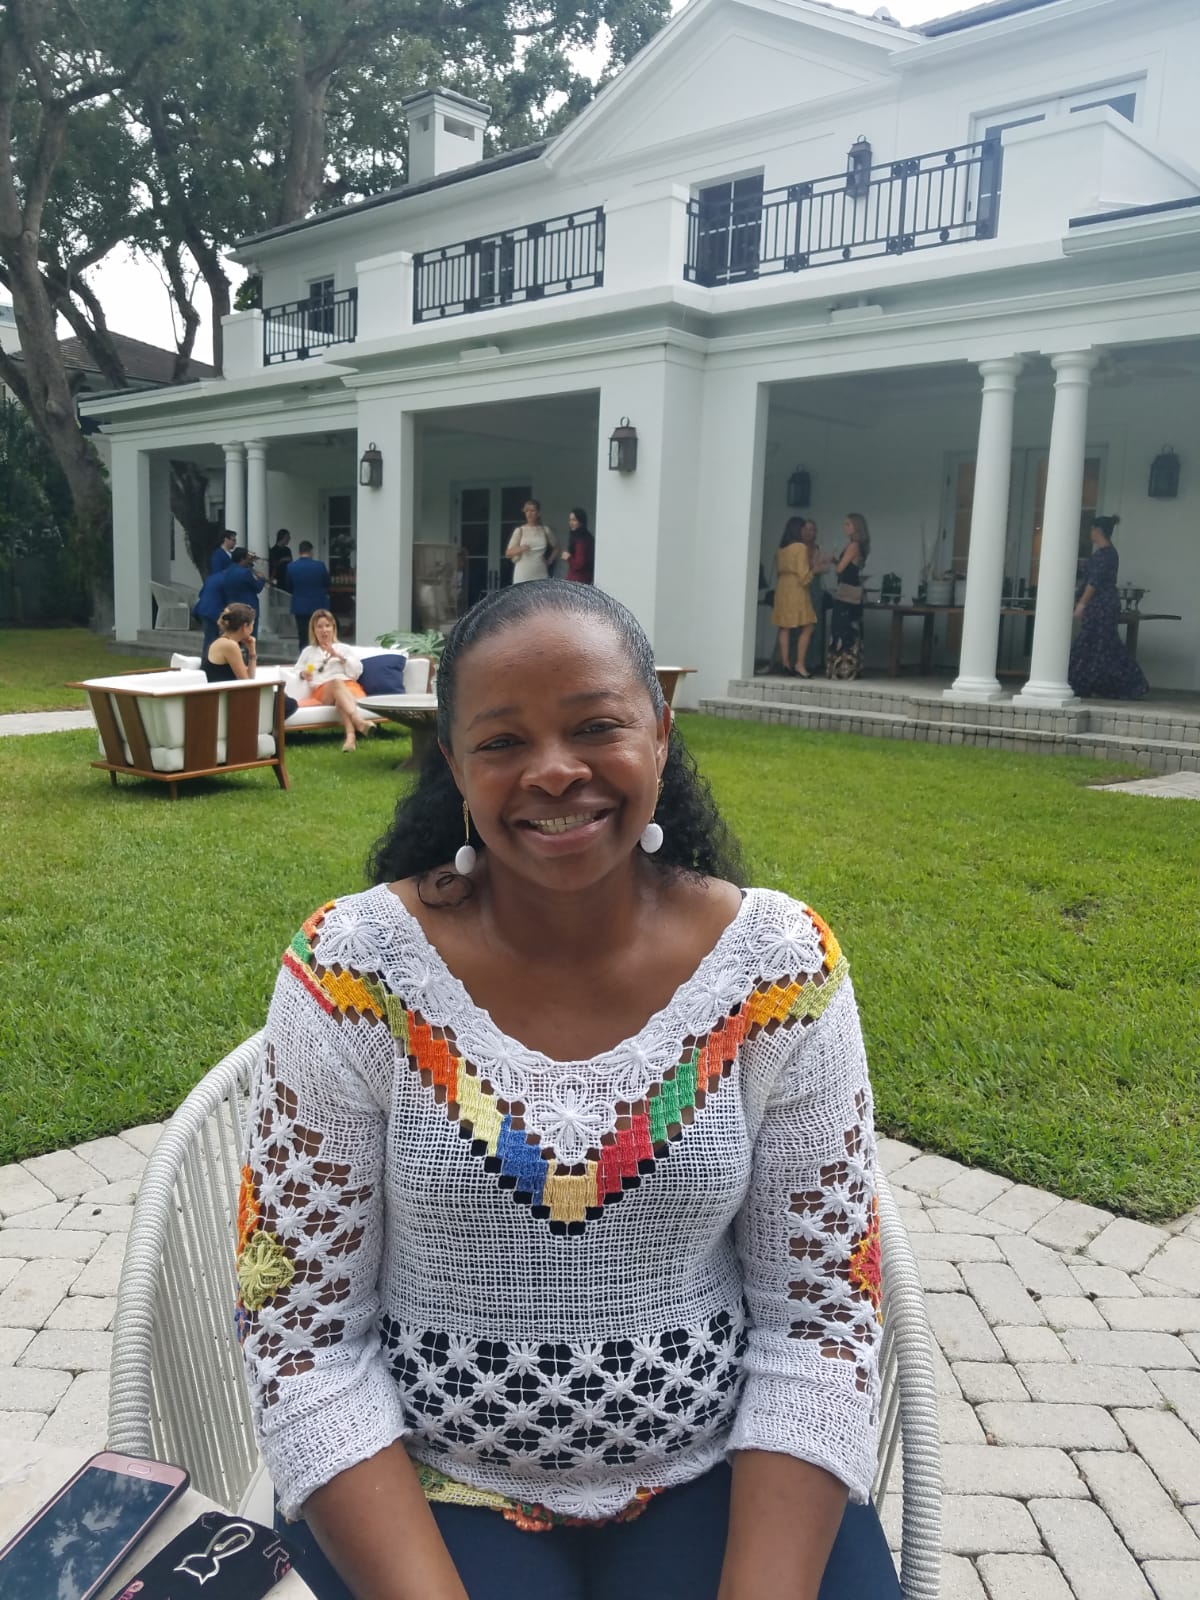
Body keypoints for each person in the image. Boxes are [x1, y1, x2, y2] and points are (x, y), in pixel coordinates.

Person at [238, 579, 897, 1600]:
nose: (554, 770)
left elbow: (819, 1317)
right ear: (455, 764)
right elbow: (302, 1335)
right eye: (503, 741)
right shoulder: (354, 974)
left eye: (596, 726)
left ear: (661, 735)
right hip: (423, 1484)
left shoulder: (778, 970)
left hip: (725, 1471)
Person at [1069, 515, 1149, 700]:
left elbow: (1094, 582)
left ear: (1098, 531)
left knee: (1099, 644)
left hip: (1102, 606)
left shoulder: (1107, 555)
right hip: (1098, 605)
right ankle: (1085, 683)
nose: (1090, 533)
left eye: (1092, 529)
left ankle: (1130, 684)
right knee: (1098, 645)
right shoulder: (1102, 554)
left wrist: (1081, 604)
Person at [292, 608, 372, 752]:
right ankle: (358, 720)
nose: (324, 630)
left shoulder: (344, 648)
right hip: (323, 690)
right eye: (320, 627)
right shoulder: (308, 651)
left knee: (340, 699)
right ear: (314, 630)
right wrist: (303, 674)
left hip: (349, 688)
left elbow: (356, 672)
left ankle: (350, 737)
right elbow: (296, 672)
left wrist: (340, 657)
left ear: (333, 628)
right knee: (336, 682)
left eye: (327, 626)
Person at [770, 517, 825, 677]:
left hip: (782, 589)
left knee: (784, 627)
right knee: (808, 625)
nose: (805, 532)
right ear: (797, 530)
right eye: (803, 528)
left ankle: (785, 663)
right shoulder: (800, 548)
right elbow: (804, 577)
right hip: (797, 590)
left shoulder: (781, 549)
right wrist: (815, 570)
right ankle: (800, 664)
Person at [826, 514, 870, 681]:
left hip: (846, 594)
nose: (844, 527)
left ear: (856, 527)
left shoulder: (853, 546)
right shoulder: (861, 546)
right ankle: (852, 668)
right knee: (852, 631)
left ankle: (841, 670)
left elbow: (840, 569)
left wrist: (834, 562)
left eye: (848, 524)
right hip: (854, 593)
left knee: (841, 630)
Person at [286, 540, 331, 649]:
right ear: (311, 551)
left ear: (299, 552)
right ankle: (319, 653)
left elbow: (288, 586)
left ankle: (304, 653)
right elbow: (327, 583)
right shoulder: (320, 566)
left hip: (300, 604)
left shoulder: (291, 567)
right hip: (318, 603)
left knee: (303, 634)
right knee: (319, 632)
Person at [203, 602, 259, 683]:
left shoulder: (225, 642)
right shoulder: (230, 645)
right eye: (252, 624)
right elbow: (246, 683)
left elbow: (250, 678)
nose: (252, 628)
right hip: (219, 690)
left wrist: (252, 650)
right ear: (245, 626)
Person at [505, 498, 558, 583]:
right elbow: (508, 553)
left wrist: (549, 561)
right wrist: (520, 549)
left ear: (538, 513)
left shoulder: (545, 530)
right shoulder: (520, 530)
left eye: (532, 511)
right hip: (522, 571)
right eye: (526, 511)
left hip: (540, 570)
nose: (529, 514)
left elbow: (556, 547)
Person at [219, 547, 267, 635]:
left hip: (232, 606)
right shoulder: (245, 572)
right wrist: (262, 579)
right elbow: (257, 588)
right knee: (249, 636)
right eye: (247, 558)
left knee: (234, 635)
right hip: (248, 607)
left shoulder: (226, 572)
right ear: (242, 559)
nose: (248, 561)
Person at [564, 507, 595, 584]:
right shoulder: (586, 536)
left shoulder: (581, 540)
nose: (571, 523)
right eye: (570, 520)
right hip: (582, 578)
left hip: (578, 579)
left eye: (574, 520)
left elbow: (578, 564)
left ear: (581, 522)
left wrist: (568, 557)